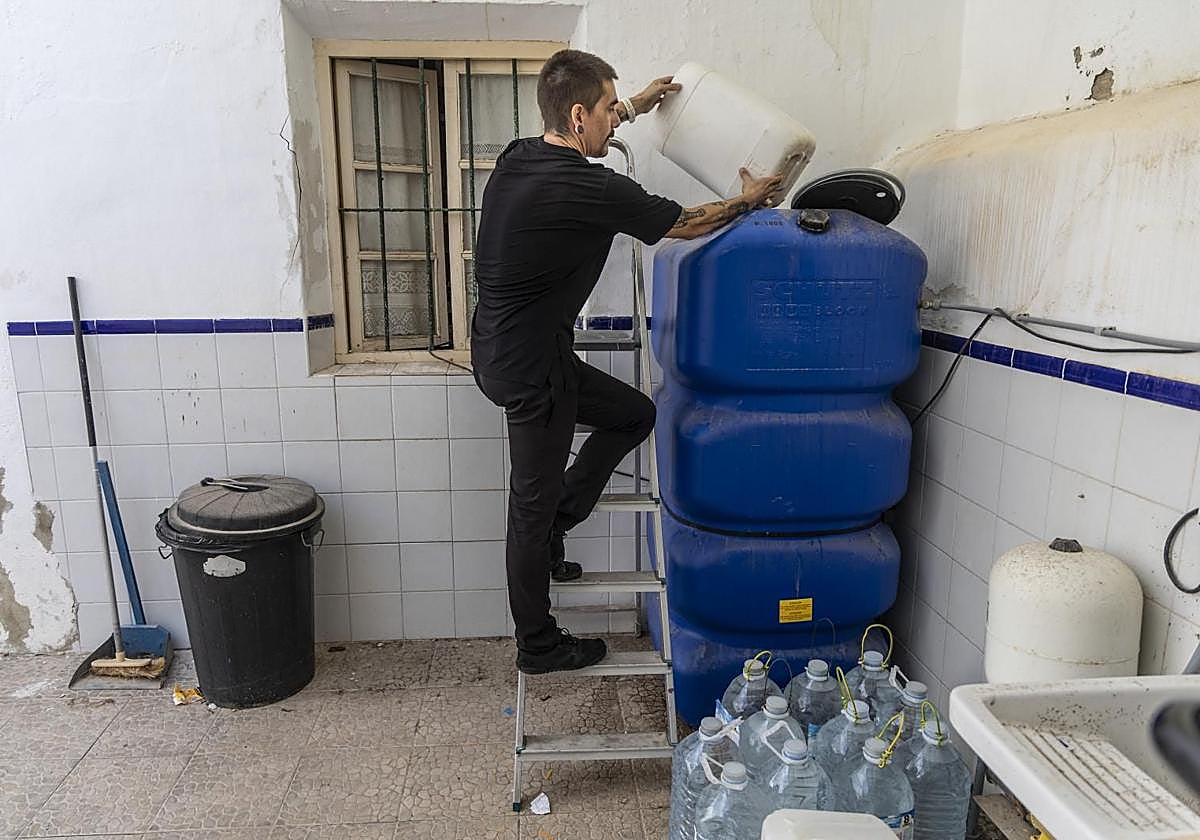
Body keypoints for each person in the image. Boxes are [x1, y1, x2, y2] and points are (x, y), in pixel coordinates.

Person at [471, 49, 783, 675]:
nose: (617, 122)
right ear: (580, 114)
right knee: (528, 508)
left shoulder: (517, 158)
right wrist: (749, 199)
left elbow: (590, 129)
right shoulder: (589, 187)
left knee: (633, 413)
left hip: (507, 349)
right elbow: (687, 223)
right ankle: (538, 643)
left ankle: (558, 525)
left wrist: (636, 105)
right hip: (534, 370)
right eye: (611, 111)